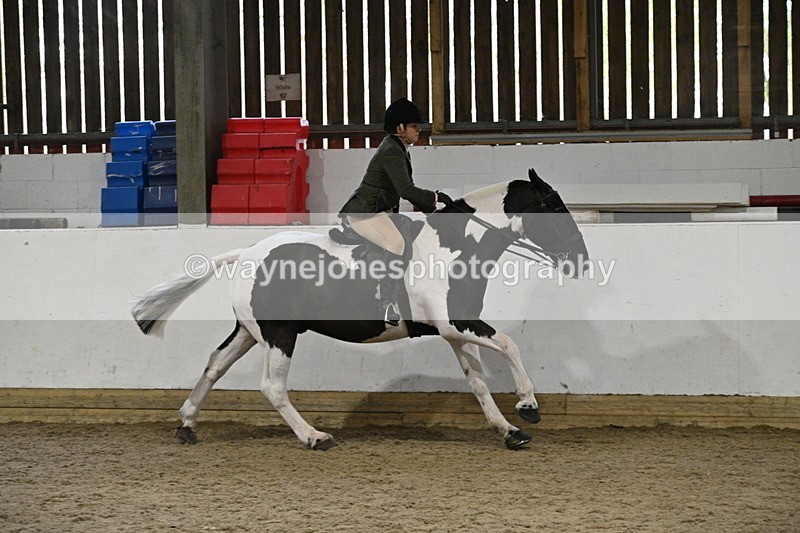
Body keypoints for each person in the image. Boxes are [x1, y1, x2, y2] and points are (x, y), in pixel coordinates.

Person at [339, 97, 453, 326]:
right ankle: (385, 304)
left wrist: (432, 212)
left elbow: (406, 190)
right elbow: (406, 190)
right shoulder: (391, 150)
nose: (419, 130)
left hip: (380, 211)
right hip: (364, 213)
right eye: (414, 126)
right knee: (396, 243)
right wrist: (436, 197)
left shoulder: (400, 148)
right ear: (400, 128)